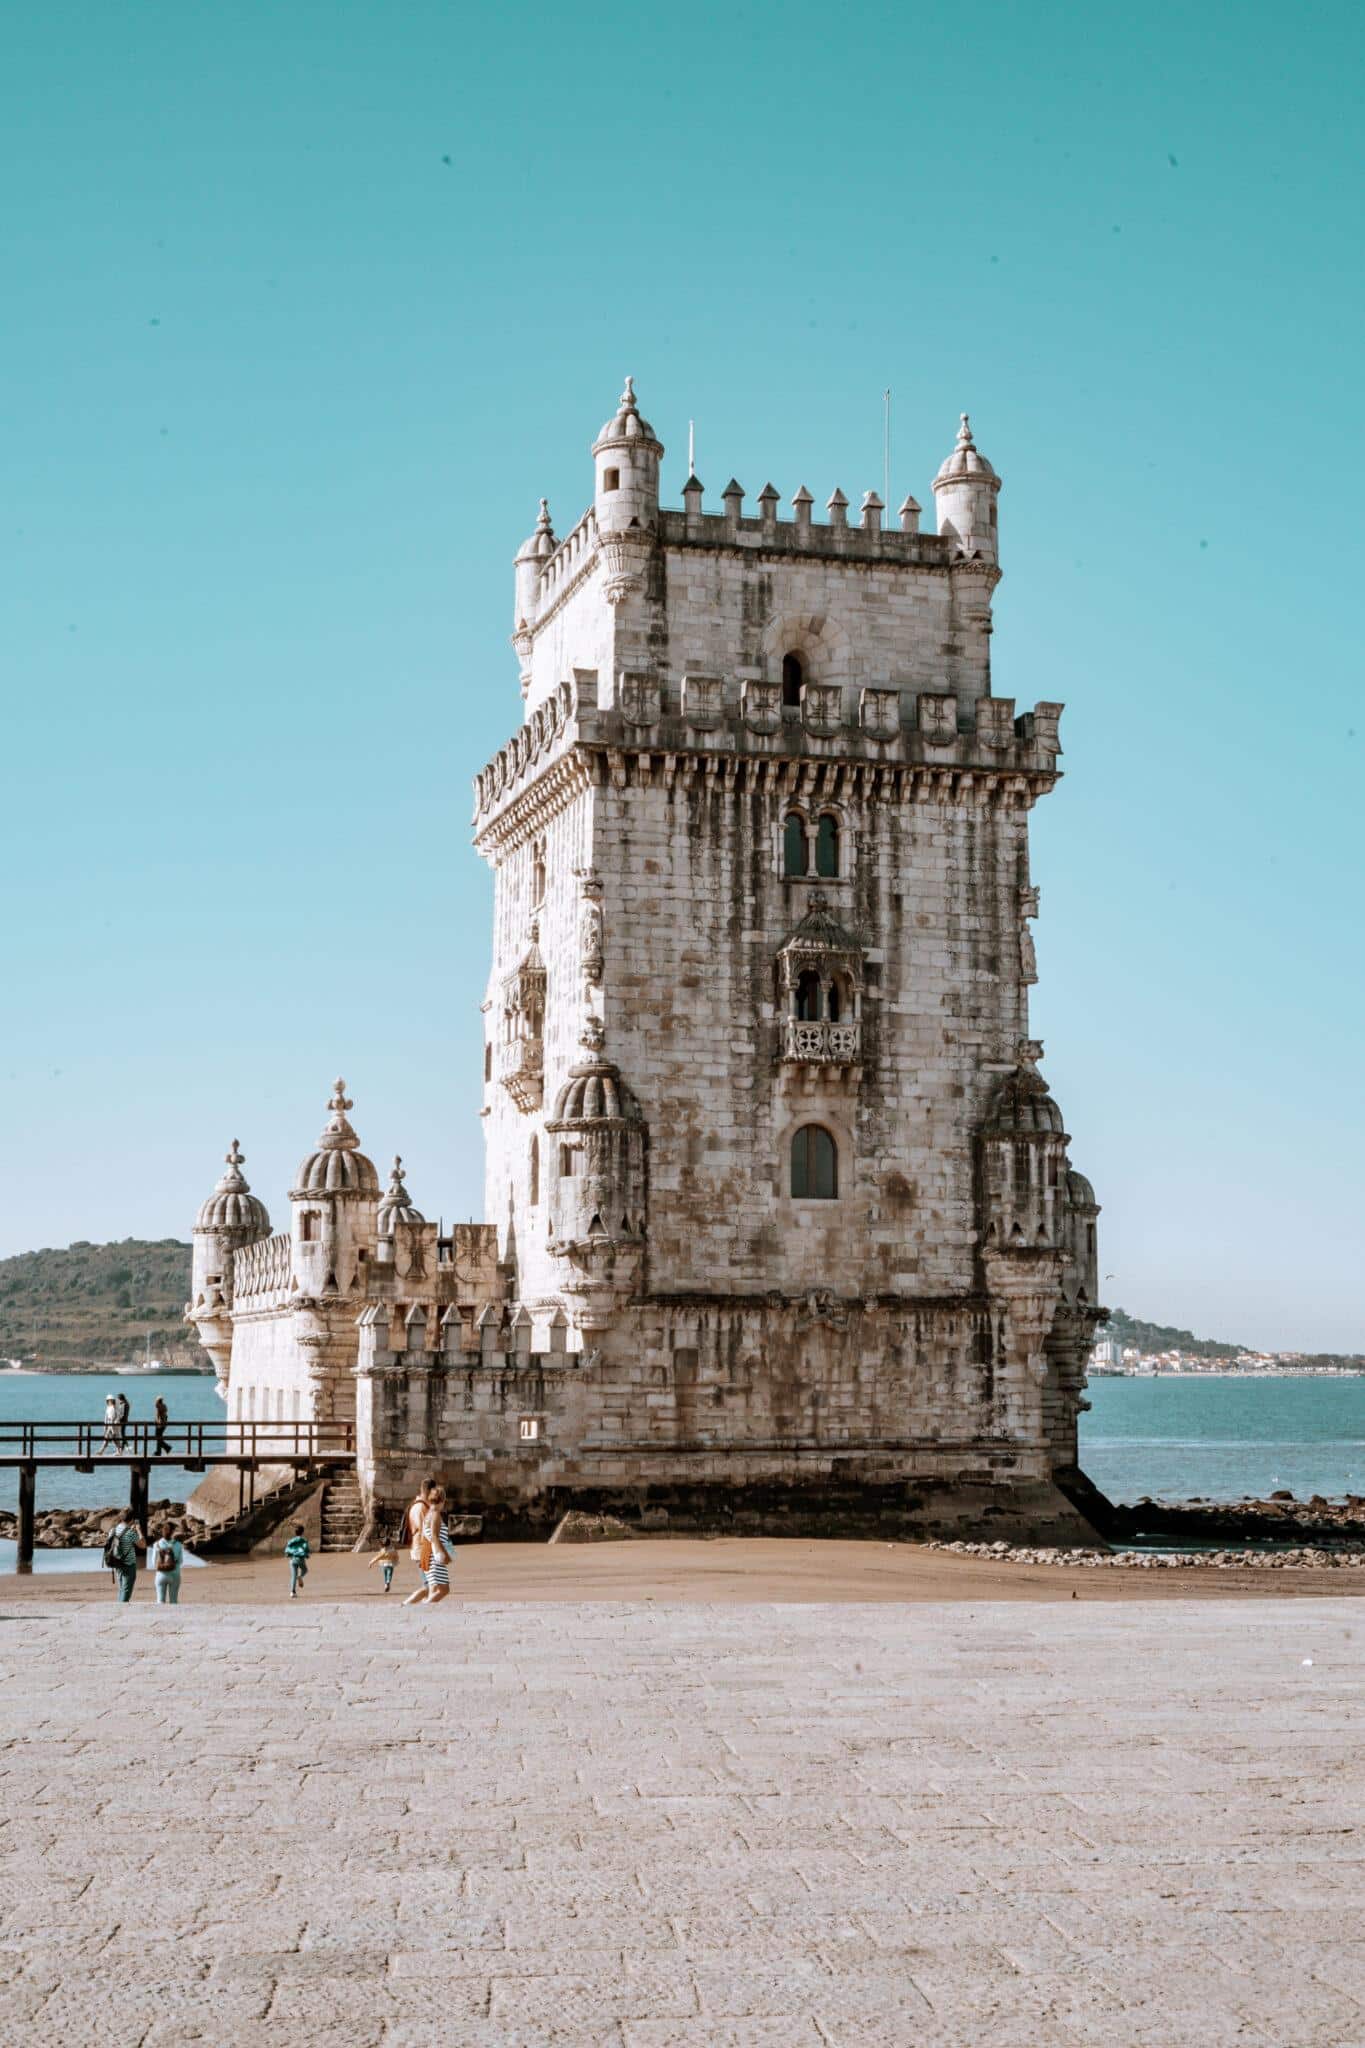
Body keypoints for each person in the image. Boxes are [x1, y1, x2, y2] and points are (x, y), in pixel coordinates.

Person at [402, 1479, 437, 1606]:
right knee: (429, 1586)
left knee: (429, 1585)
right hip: (421, 1550)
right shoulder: (420, 1507)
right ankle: (405, 1605)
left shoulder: (420, 1505)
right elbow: (424, 1532)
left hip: (421, 1549)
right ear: (429, 1491)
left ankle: (412, 1606)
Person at [421, 1486, 454, 1606]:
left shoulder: (429, 1514)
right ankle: (424, 1608)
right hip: (435, 1557)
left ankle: (427, 1609)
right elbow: (434, 1537)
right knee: (444, 1589)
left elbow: (429, 1536)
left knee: (434, 1589)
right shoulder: (435, 1514)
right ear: (443, 1500)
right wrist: (445, 1554)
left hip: (430, 1555)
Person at [104, 1513, 142, 1601]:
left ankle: (119, 1606)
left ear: (121, 1519)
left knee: (121, 1588)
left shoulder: (113, 1530)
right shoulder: (130, 1532)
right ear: (132, 1520)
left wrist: (131, 1531)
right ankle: (122, 1608)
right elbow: (142, 1544)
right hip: (128, 1564)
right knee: (126, 1590)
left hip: (116, 1561)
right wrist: (139, 1531)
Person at [151, 1520, 183, 1604]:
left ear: (162, 1531)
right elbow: (180, 1561)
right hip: (174, 1574)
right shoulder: (178, 1545)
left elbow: (153, 1562)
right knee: (173, 1601)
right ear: (172, 1532)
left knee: (160, 1601)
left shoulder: (156, 1544)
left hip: (161, 1575)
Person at [284, 1524, 310, 1599]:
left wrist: (288, 1554)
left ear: (295, 1532)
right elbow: (306, 1549)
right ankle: (300, 1577)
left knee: (293, 1576)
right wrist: (307, 1555)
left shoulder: (291, 1541)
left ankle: (292, 1592)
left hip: (292, 1559)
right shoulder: (303, 1540)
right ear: (302, 1532)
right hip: (300, 1559)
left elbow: (287, 1550)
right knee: (305, 1570)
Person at [98, 1392, 120, 1456]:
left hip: (111, 1426)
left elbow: (111, 1419)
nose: (107, 1402)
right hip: (110, 1426)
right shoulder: (110, 1407)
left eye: (108, 1401)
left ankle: (101, 1451)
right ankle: (101, 1451)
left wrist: (110, 1429)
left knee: (113, 1439)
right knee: (110, 1439)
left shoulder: (111, 1408)